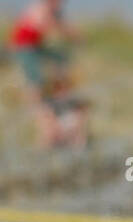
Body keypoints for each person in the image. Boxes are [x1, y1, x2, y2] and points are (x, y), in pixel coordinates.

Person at [9, 0, 87, 148]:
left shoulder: (52, 10)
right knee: (35, 80)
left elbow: (61, 26)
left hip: (36, 46)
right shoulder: (43, 8)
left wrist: (75, 36)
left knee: (62, 59)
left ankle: (59, 91)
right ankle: (40, 107)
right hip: (25, 47)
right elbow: (49, 25)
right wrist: (69, 33)